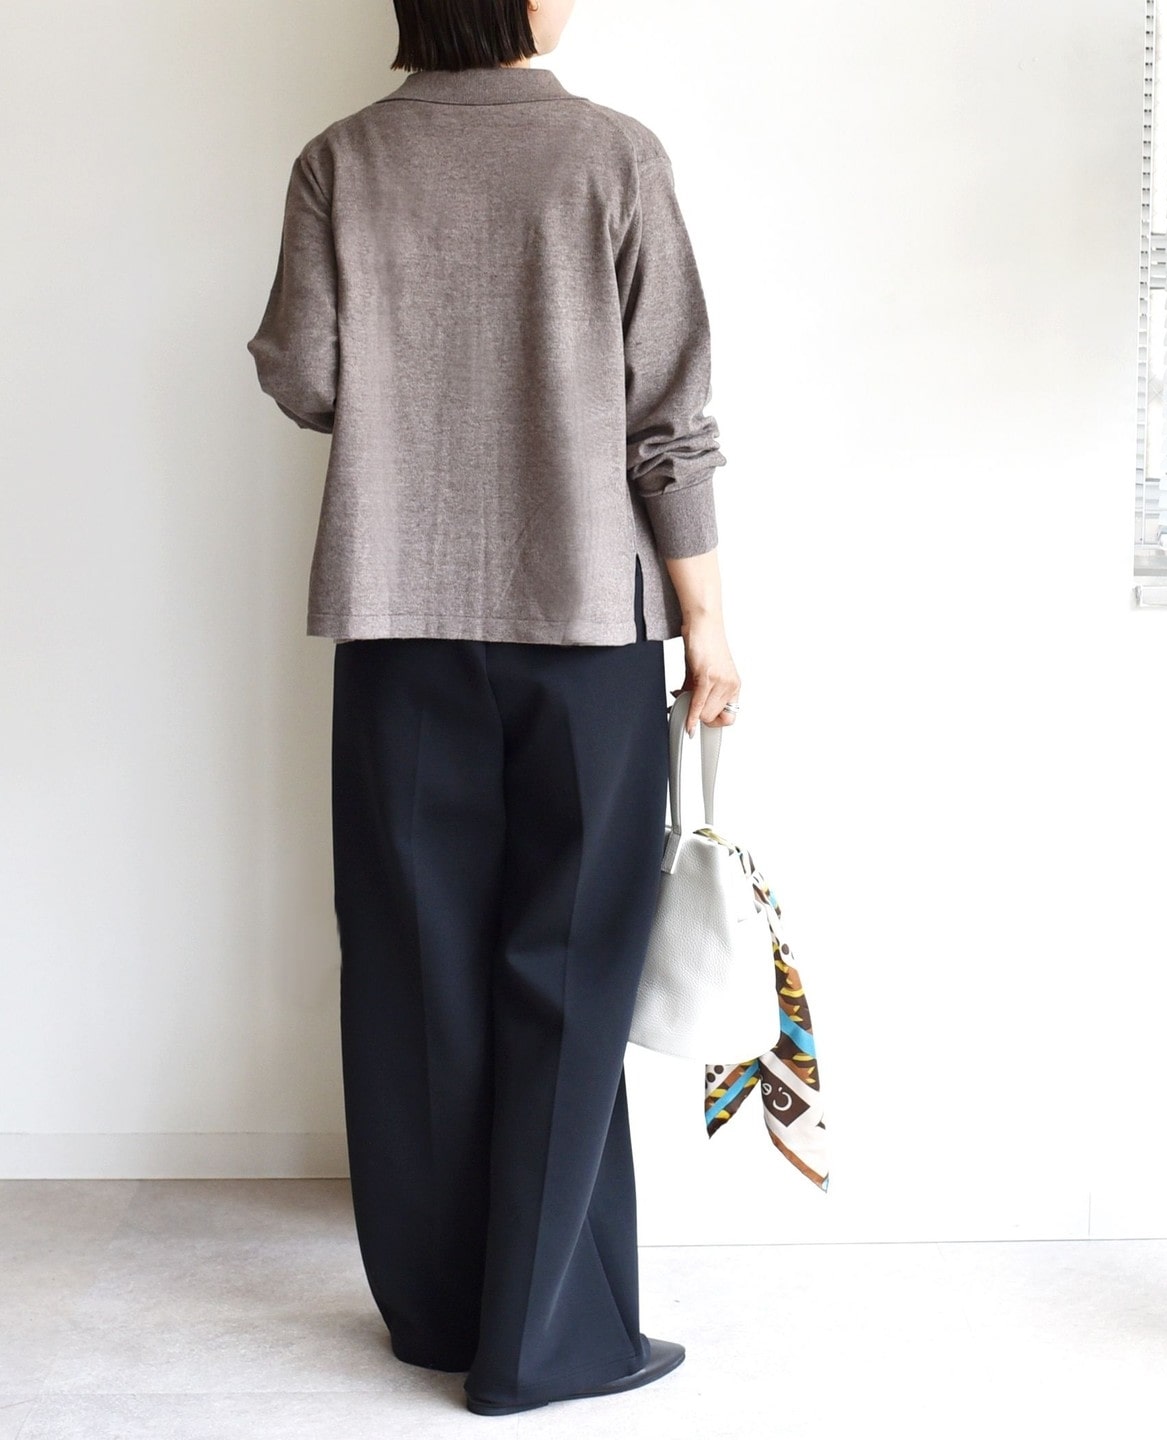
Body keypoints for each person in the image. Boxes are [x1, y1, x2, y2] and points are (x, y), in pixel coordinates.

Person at [245, 0, 740, 1418]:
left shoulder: (341, 159)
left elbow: (303, 372)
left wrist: (418, 394)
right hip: (583, 631)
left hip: (395, 629)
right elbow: (669, 421)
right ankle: (548, 1340)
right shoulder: (613, 157)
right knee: (568, 971)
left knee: (414, 970)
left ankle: (435, 1315)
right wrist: (707, 619)